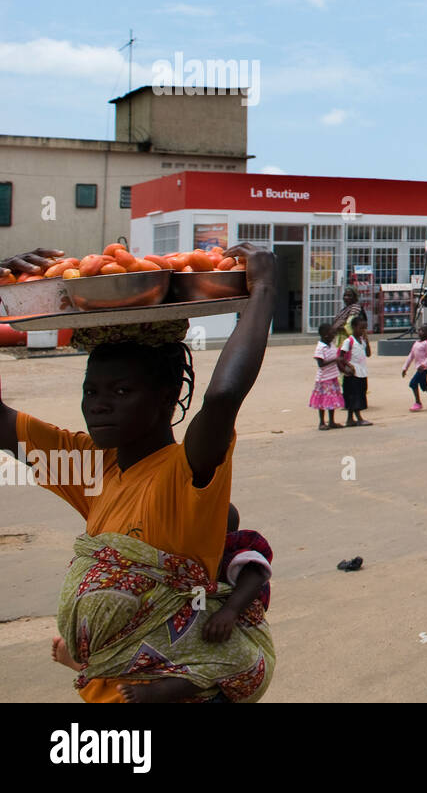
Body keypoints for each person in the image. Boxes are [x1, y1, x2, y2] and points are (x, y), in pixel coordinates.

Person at [0, 244, 277, 703]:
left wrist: (264, 289)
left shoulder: (186, 476)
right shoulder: (89, 467)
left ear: (170, 395)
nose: (98, 404)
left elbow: (223, 398)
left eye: (122, 389)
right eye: (91, 390)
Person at [52, 502, 275, 701]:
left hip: (219, 632)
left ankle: (153, 690)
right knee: (144, 653)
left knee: (217, 666)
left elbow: (255, 571)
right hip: (179, 631)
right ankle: (92, 667)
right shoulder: (169, 550)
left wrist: (230, 610)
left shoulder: (228, 553)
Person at [338, 312, 372, 426]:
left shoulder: (362, 341)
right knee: (354, 396)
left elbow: (368, 354)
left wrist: (367, 340)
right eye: (361, 328)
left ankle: (350, 419)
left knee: (359, 394)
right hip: (353, 373)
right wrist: (348, 366)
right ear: (353, 327)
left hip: (362, 371)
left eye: (365, 328)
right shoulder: (349, 341)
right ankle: (358, 418)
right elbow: (341, 357)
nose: (363, 331)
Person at [311, 321, 346, 429]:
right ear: (326, 334)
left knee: (332, 400)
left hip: (332, 376)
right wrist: (335, 360)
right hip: (324, 379)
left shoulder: (331, 345)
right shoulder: (320, 347)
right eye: (332, 333)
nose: (334, 335)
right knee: (322, 400)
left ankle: (331, 421)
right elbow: (321, 364)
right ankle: (321, 422)